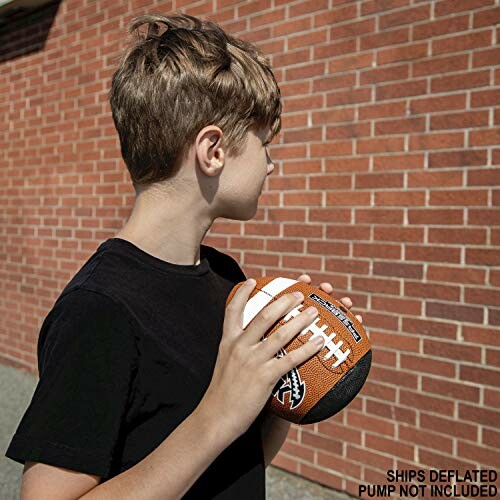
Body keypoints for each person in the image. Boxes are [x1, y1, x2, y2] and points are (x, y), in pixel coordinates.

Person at [5, 12, 360, 499]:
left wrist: (291, 379)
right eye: (265, 143)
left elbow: (234, 463)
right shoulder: (99, 310)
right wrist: (216, 416)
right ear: (213, 149)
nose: (272, 164)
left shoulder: (229, 280)